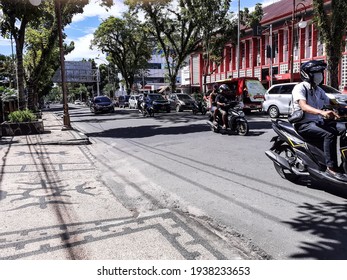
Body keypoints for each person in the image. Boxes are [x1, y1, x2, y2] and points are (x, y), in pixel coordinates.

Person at [292, 60, 347, 180]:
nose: (320, 75)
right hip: (304, 124)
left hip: (317, 122)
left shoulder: (318, 90)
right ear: (307, 74)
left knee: (344, 128)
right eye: (316, 72)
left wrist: (342, 107)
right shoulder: (300, 88)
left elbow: (331, 103)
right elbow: (304, 106)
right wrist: (322, 112)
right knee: (330, 134)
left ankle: (344, 164)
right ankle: (331, 168)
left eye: (320, 72)